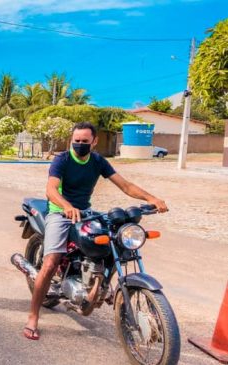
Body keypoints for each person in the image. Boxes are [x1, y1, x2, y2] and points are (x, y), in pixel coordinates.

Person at [24, 121, 168, 340]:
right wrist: (66, 206)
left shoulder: (98, 161)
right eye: (76, 141)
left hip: (85, 211)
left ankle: (97, 284)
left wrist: (152, 198)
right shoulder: (61, 160)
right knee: (51, 261)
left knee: (110, 240)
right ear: (71, 140)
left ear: (94, 141)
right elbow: (51, 188)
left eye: (85, 141)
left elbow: (125, 185)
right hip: (60, 212)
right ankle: (33, 316)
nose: (80, 144)